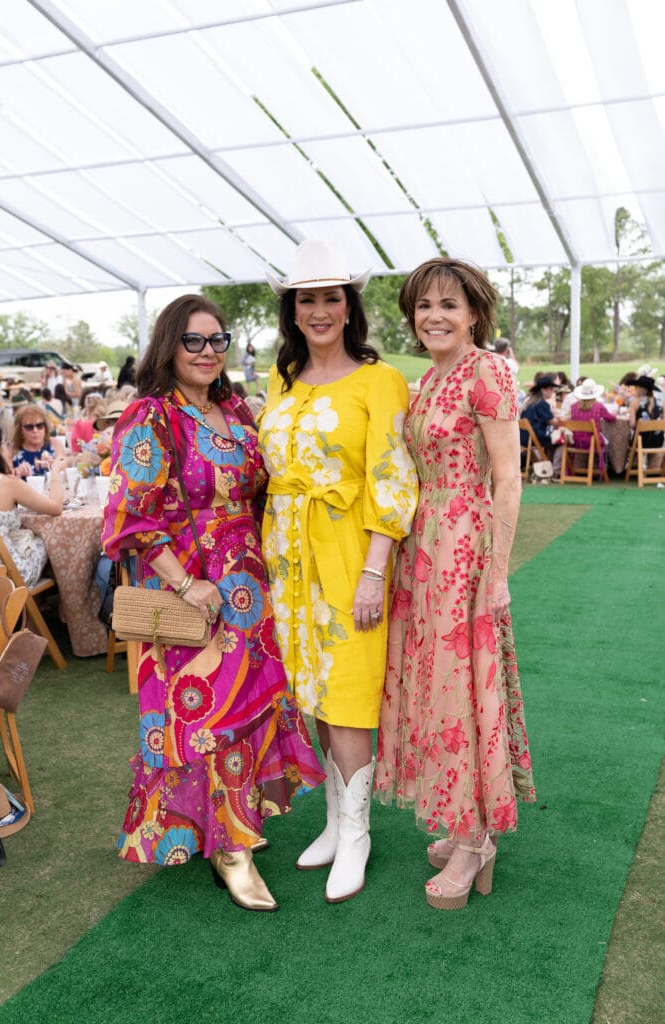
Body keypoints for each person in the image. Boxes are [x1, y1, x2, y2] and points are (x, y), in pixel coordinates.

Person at [101, 293, 324, 913]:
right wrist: (185, 582)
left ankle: (236, 822)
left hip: (250, 586)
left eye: (217, 340)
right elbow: (128, 516)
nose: (207, 352)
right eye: (193, 341)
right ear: (168, 345)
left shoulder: (236, 410)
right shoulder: (150, 416)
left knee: (248, 708)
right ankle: (230, 851)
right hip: (193, 593)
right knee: (207, 719)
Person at [374, 257, 535, 911]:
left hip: (464, 548)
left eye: (447, 304)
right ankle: (457, 817)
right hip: (423, 547)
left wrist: (495, 574)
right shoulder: (424, 381)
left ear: (473, 313)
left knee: (464, 690)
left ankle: (475, 842)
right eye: (422, 306)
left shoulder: (486, 370)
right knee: (435, 689)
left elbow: (507, 477)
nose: (433, 316)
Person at [260, 239, 418, 903]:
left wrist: (374, 571)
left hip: (349, 554)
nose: (318, 309)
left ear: (348, 306)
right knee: (314, 691)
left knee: (349, 690)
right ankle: (331, 820)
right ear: (292, 309)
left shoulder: (379, 381)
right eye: (307, 298)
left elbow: (392, 476)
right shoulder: (280, 379)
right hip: (285, 559)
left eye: (330, 297)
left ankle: (357, 832)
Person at [0, 422, 67, 589]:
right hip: (6, 580)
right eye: (5, 444)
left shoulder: (3, 481)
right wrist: (55, 471)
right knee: (44, 540)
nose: (8, 449)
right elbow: (56, 507)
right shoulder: (6, 483)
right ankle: (58, 597)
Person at [567, 377, 616, 474]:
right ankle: (602, 469)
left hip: (575, 441)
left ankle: (573, 470)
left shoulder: (573, 407)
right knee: (607, 441)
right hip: (592, 441)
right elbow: (610, 418)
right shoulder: (598, 406)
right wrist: (615, 413)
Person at [11, 405, 66, 478]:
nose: (35, 430)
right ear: (20, 430)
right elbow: (5, 481)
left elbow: (66, 475)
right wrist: (17, 472)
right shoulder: (12, 450)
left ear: (45, 427)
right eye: (29, 427)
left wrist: (55, 466)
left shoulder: (55, 444)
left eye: (39, 425)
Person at [629, 374, 664, 462]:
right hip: (658, 441)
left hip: (641, 442)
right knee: (651, 436)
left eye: (636, 387)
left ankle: (635, 465)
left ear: (640, 389)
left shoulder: (635, 402)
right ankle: (649, 466)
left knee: (631, 438)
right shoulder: (661, 402)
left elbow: (632, 424)